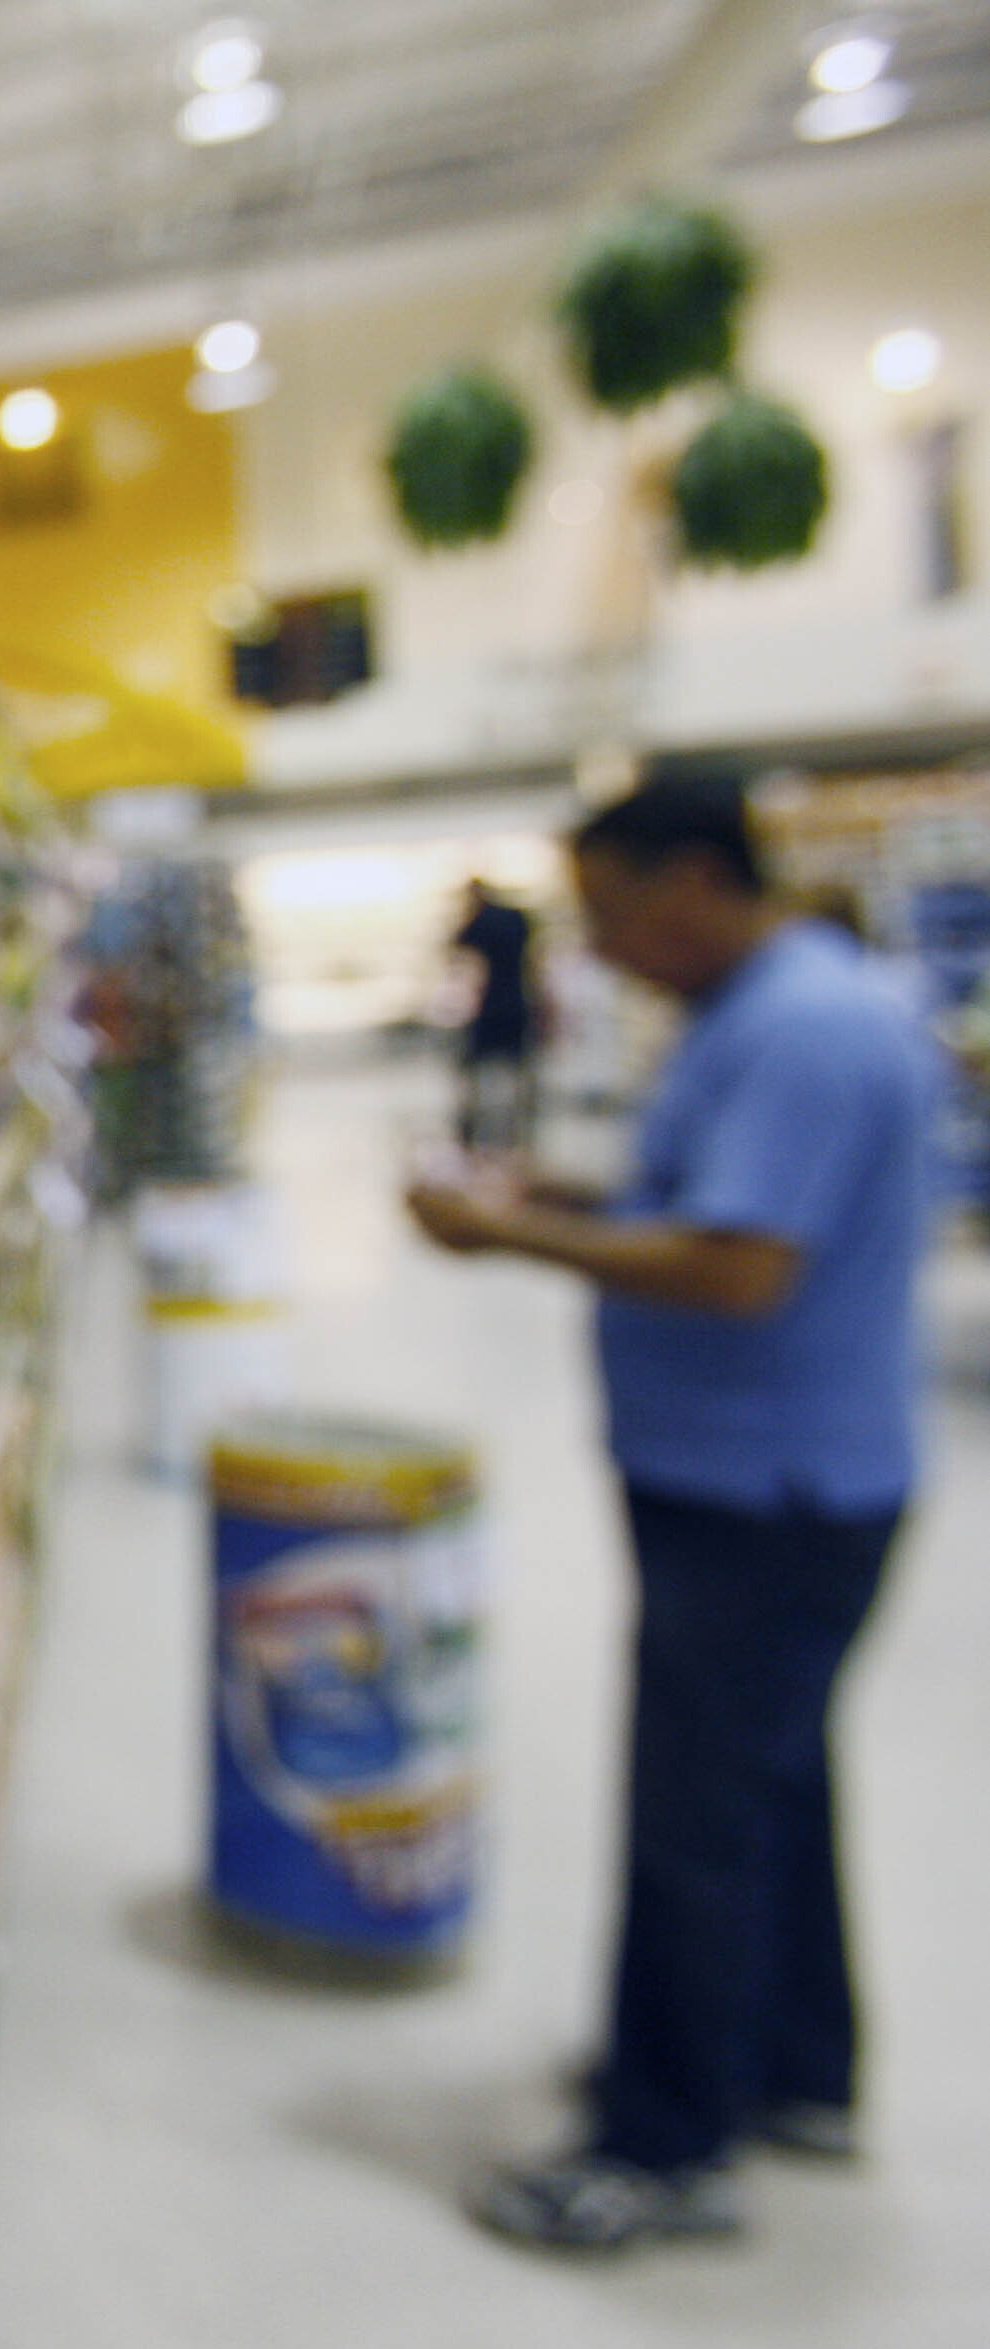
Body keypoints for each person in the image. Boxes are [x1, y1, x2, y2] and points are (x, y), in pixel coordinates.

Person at [406, 773, 941, 2254]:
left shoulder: (802, 1032)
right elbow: (699, 1196)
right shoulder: (783, 1010)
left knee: (694, 1818)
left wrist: (503, 1233)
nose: (602, 945)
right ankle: (791, 2072)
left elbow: (734, 1268)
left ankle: (662, 2146)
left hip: (761, 1495)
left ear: (695, 879)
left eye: (613, 909)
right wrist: (561, 1185)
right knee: (773, 1789)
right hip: (782, 1482)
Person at [448, 877, 540, 1152]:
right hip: (519, 1001)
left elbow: (456, 946)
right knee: (519, 1073)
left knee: (474, 1073)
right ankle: (521, 1132)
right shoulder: (516, 918)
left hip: (492, 1004)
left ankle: (469, 1133)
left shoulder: (479, 921)